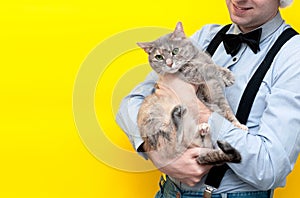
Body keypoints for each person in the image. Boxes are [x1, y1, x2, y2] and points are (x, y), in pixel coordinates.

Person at [116, 0, 300, 197]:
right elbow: (131, 102)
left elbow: (270, 168)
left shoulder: (293, 56)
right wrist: (158, 154)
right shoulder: (205, 37)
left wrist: (202, 113)